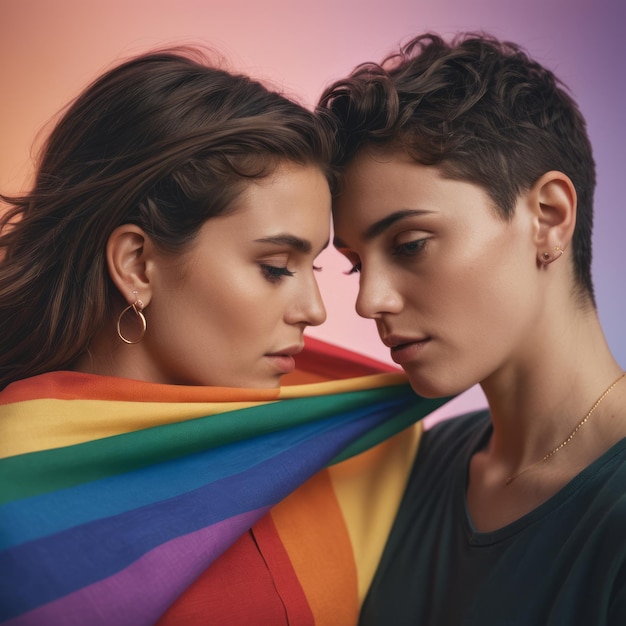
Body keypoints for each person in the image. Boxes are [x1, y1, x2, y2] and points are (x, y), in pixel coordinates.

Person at [0, 49, 446, 625]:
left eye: (313, 268)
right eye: (276, 266)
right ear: (136, 265)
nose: (313, 311)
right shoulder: (14, 490)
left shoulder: (342, 439)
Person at [319, 32, 626, 625]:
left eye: (410, 245)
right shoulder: (417, 464)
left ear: (548, 218)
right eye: (357, 262)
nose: (368, 300)